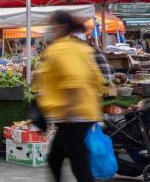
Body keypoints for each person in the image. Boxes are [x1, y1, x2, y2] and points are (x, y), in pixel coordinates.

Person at [38, 11, 103, 182]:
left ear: (59, 27)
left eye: (50, 24)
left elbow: (75, 81)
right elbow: (97, 78)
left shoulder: (62, 49)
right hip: (80, 113)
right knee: (56, 159)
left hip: (73, 116)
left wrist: (68, 110)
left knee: (79, 166)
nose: (48, 28)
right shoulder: (80, 47)